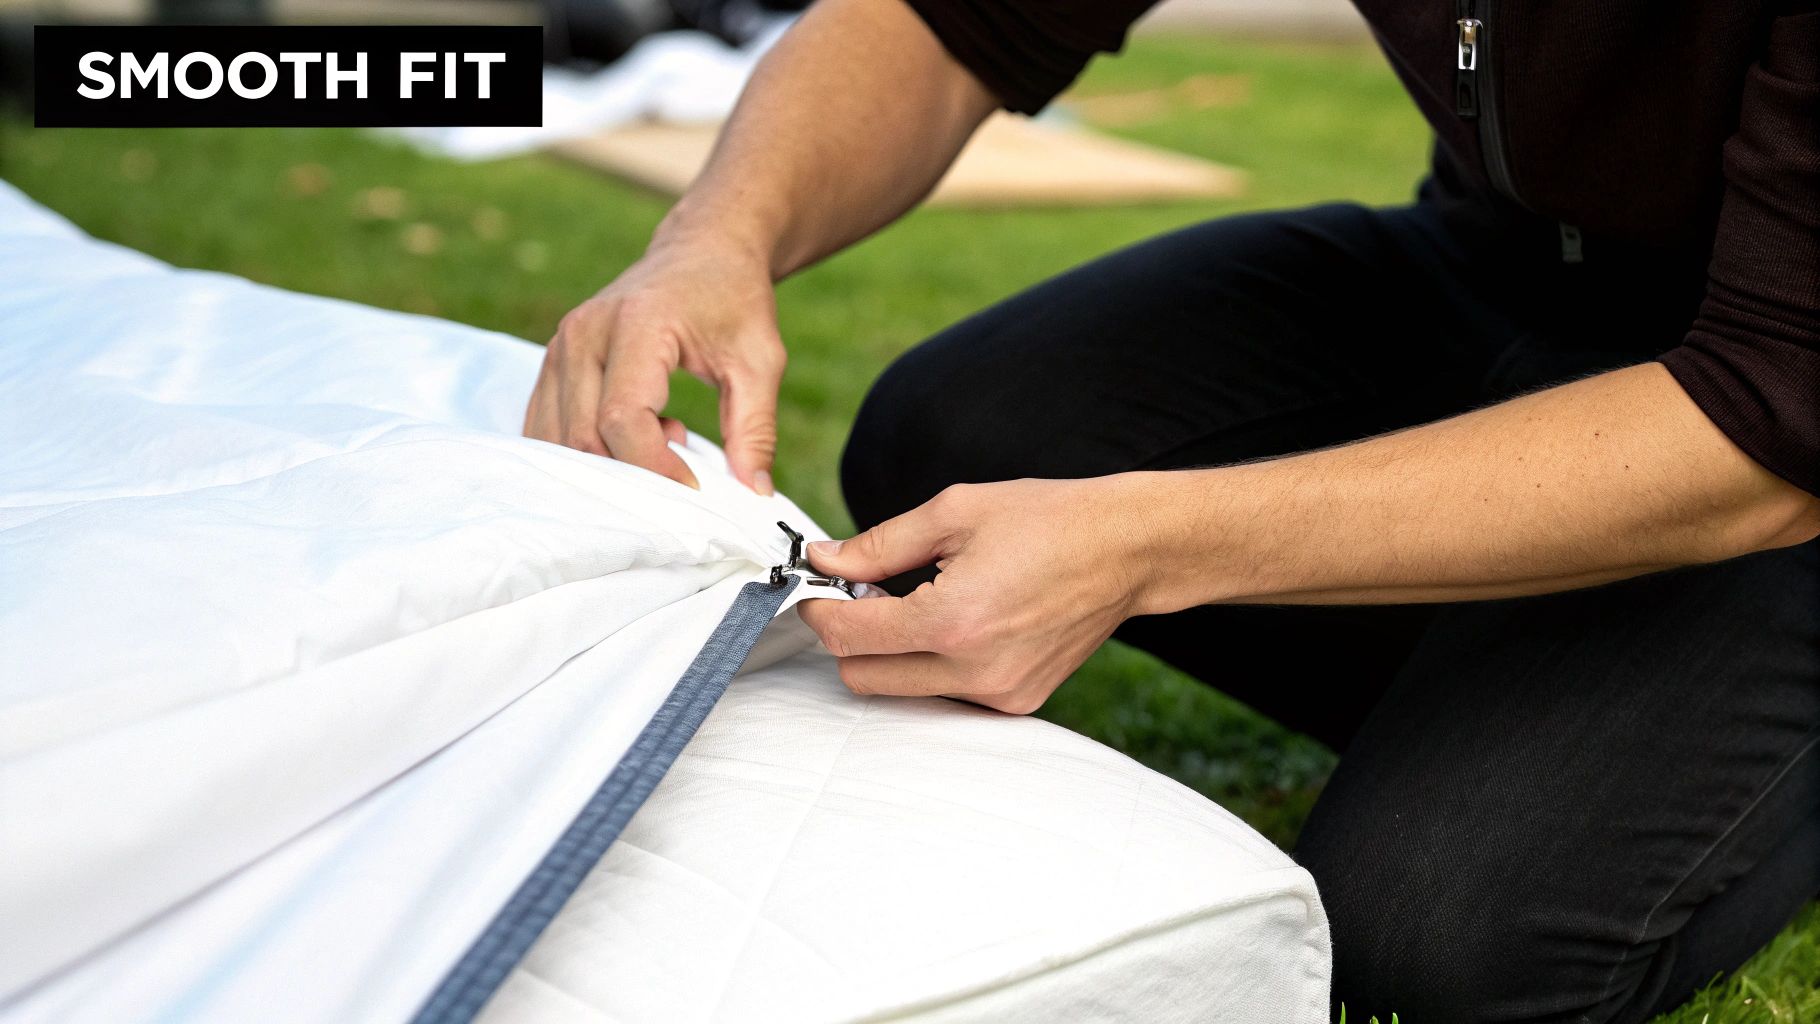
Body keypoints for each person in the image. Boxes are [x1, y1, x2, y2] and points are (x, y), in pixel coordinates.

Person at [523, 0, 1820, 1018]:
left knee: (1433, 932)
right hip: (1500, 265)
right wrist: (717, 237)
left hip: (1778, 415)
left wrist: (1151, 544)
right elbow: (952, 19)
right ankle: (1564, 659)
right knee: (958, 428)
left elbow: (1771, 399)